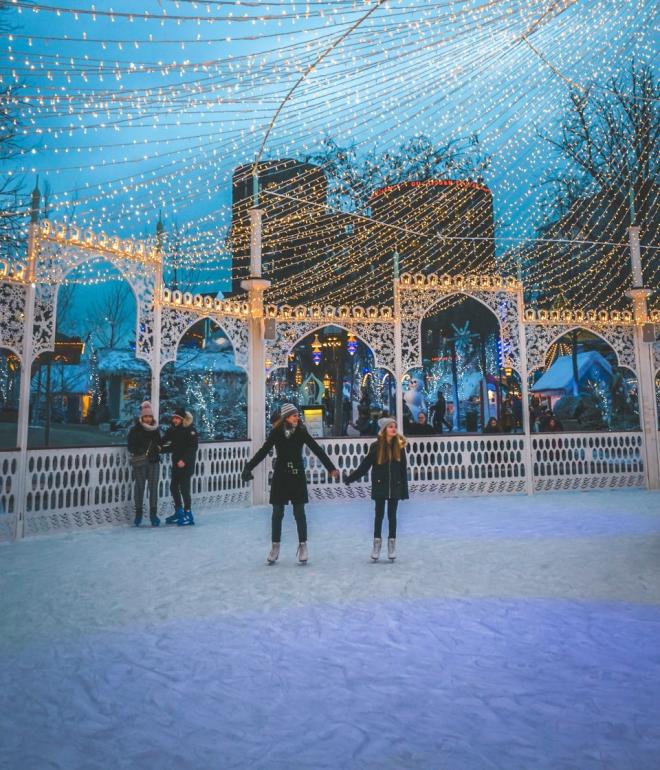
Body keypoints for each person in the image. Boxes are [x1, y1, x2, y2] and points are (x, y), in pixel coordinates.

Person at [241, 403, 339, 564]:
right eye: (294, 415)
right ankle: (275, 546)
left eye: (297, 415)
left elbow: (316, 449)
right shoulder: (277, 432)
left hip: (297, 476)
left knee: (299, 512)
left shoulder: (301, 431)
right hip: (281, 476)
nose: (297, 417)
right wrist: (248, 466)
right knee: (277, 512)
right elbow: (263, 451)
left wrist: (330, 468)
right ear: (286, 417)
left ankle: (303, 545)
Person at [343, 417, 408, 562]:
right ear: (384, 430)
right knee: (379, 516)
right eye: (390, 427)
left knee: (392, 516)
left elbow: (403, 470)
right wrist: (350, 478)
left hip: (395, 486)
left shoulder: (400, 447)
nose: (393, 429)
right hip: (380, 485)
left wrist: (404, 490)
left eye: (394, 427)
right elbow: (364, 466)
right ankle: (376, 545)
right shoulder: (376, 447)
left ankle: (392, 545)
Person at [161, 407, 199, 526]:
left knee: (184, 489)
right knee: (173, 487)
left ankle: (188, 514)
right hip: (176, 464)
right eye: (174, 418)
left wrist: (184, 460)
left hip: (186, 465)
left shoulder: (190, 430)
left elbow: (193, 447)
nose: (175, 420)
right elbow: (172, 446)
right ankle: (179, 511)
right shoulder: (173, 430)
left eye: (177, 418)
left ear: (182, 419)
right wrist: (159, 449)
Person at [127, 400, 162, 527]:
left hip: (154, 462)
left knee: (153, 488)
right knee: (139, 487)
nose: (148, 419)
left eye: (150, 416)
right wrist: (141, 451)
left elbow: (160, 443)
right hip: (141, 462)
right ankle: (138, 514)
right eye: (146, 416)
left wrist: (158, 448)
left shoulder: (155, 429)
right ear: (142, 417)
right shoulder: (135, 430)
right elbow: (131, 446)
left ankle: (153, 515)